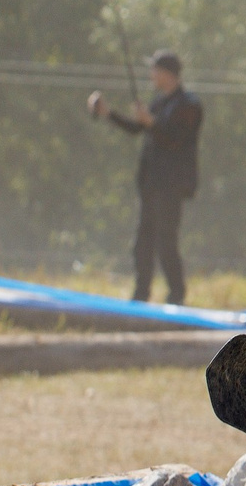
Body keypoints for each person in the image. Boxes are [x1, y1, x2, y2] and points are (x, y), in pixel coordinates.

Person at [86, 50, 203, 303]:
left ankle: (176, 295)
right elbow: (136, 128)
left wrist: (151, 122)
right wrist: (107, 112)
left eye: (154, 70)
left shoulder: (189, 105)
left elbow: (178, 139)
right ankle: (141, 294)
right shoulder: (159, 103)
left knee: (166, 242)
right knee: (143, 242)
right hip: (150, 183)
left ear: (167, 73)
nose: (151, 75)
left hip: (171, 185)